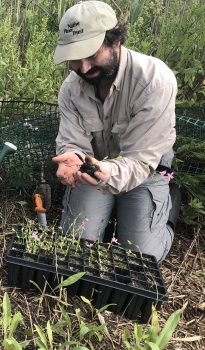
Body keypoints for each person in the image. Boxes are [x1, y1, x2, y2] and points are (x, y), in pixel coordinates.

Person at [51, 1, 181, 263]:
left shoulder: (155, 81)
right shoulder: (71, 89)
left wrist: (106, 174)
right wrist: (73, 158)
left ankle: (168, 203)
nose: (84, 68)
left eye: (91, 54)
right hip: (94, 167)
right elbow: (72, 140)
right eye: (75, 58)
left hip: (145, 169)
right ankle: (114, 212)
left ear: (116, 40)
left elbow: (140, 160)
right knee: (75, 248)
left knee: (141, 258)